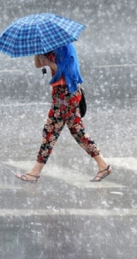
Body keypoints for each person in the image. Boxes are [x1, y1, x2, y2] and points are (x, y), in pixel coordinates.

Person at [15, 43, 112, 183]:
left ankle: (34, 173)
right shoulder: (50, 47)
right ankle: (103, 165)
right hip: (60, 94)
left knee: (51, 133)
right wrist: (38, 53)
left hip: (66, 94)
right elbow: (38, 65)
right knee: (74, 132)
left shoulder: (65, 48)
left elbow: (67, 71)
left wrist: (48, 62)